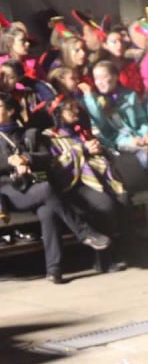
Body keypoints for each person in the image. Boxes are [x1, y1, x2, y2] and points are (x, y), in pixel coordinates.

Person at [0, 92, 110, 282]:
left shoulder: (30, 133)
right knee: (46, 189)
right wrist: (11, 162)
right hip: (10, 190)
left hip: (34, 184)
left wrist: (27, 158)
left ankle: (54, 269)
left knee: (48, 211)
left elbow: (47, 158)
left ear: (10, 111)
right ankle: (84, 232)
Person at [44, 99, 128, 273]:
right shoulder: (49, 136)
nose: (75, 111)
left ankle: (115, 254)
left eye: (76, 107)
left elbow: (103, 154)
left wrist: (99, 150)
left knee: (123, 197)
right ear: (58, 113)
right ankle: (104, 258)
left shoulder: (82, 132)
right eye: (70, 108)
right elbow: (55, 166)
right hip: (72, 184)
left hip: (96, 178)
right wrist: (82, 149)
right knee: (104, 204)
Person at [83, 60, 148, 170]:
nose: (100, 82)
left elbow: (142, 120)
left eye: (104, 77)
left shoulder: (129, 95)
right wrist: (129, 142)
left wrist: (146, 133)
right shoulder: (93, 102)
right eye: (96, 79)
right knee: (144, 159)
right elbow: (102, 132)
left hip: (139, 138)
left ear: (115, 77)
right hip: (117, 146)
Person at [100, 29, 146, 94]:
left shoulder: (132, 61)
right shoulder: (103, 67)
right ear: (105, 45)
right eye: (114, 42)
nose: (119, 45)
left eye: (121, 41)